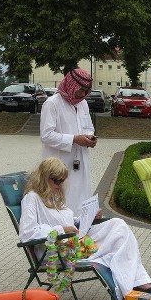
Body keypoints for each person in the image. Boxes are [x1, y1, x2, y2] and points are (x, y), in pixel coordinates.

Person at [19, 157, 151, 300]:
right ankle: (132, 285)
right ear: (43, 178)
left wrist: (87, 218)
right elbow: (27, 233)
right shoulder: (32, 199)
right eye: (56, 180)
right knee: (118, 244)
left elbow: (68, 221)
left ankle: (136, 282)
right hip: (57, 250)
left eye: (62, 181)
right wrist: (61, 230)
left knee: (118, 224)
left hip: (76, 242)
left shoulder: (53, 196)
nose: (59, 185)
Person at [40, 68, 96, 212]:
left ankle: (82, 229)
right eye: (81, 90)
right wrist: (74, 139)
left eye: (86, 91)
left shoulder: (83, 104)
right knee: (63, 200)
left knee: (81, 199)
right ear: (71, 85)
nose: (83, 94)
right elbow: (46, 135)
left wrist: (89, 137)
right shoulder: (52, 103)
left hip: (80, 161)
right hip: (59, 163)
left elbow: (89, 127)